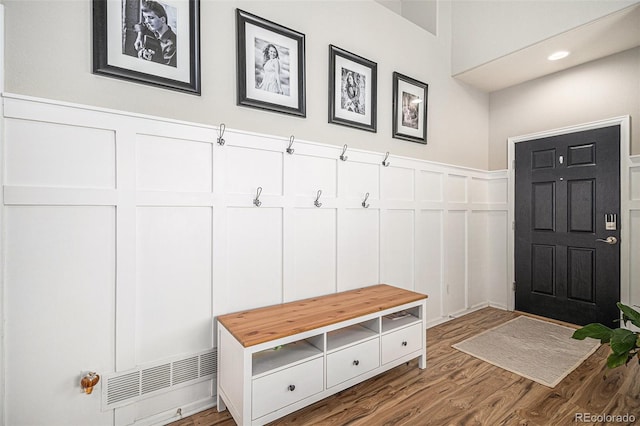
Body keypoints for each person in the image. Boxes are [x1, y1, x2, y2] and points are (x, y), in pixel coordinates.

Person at [133, 0, 176, 67]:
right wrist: (140, 35)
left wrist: (150, 60)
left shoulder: (171, 46)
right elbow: (138, 26)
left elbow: (166, 71)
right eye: (145, 18)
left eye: (151, 17)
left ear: (162, 20)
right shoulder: (153, 28)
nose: (147, 21)